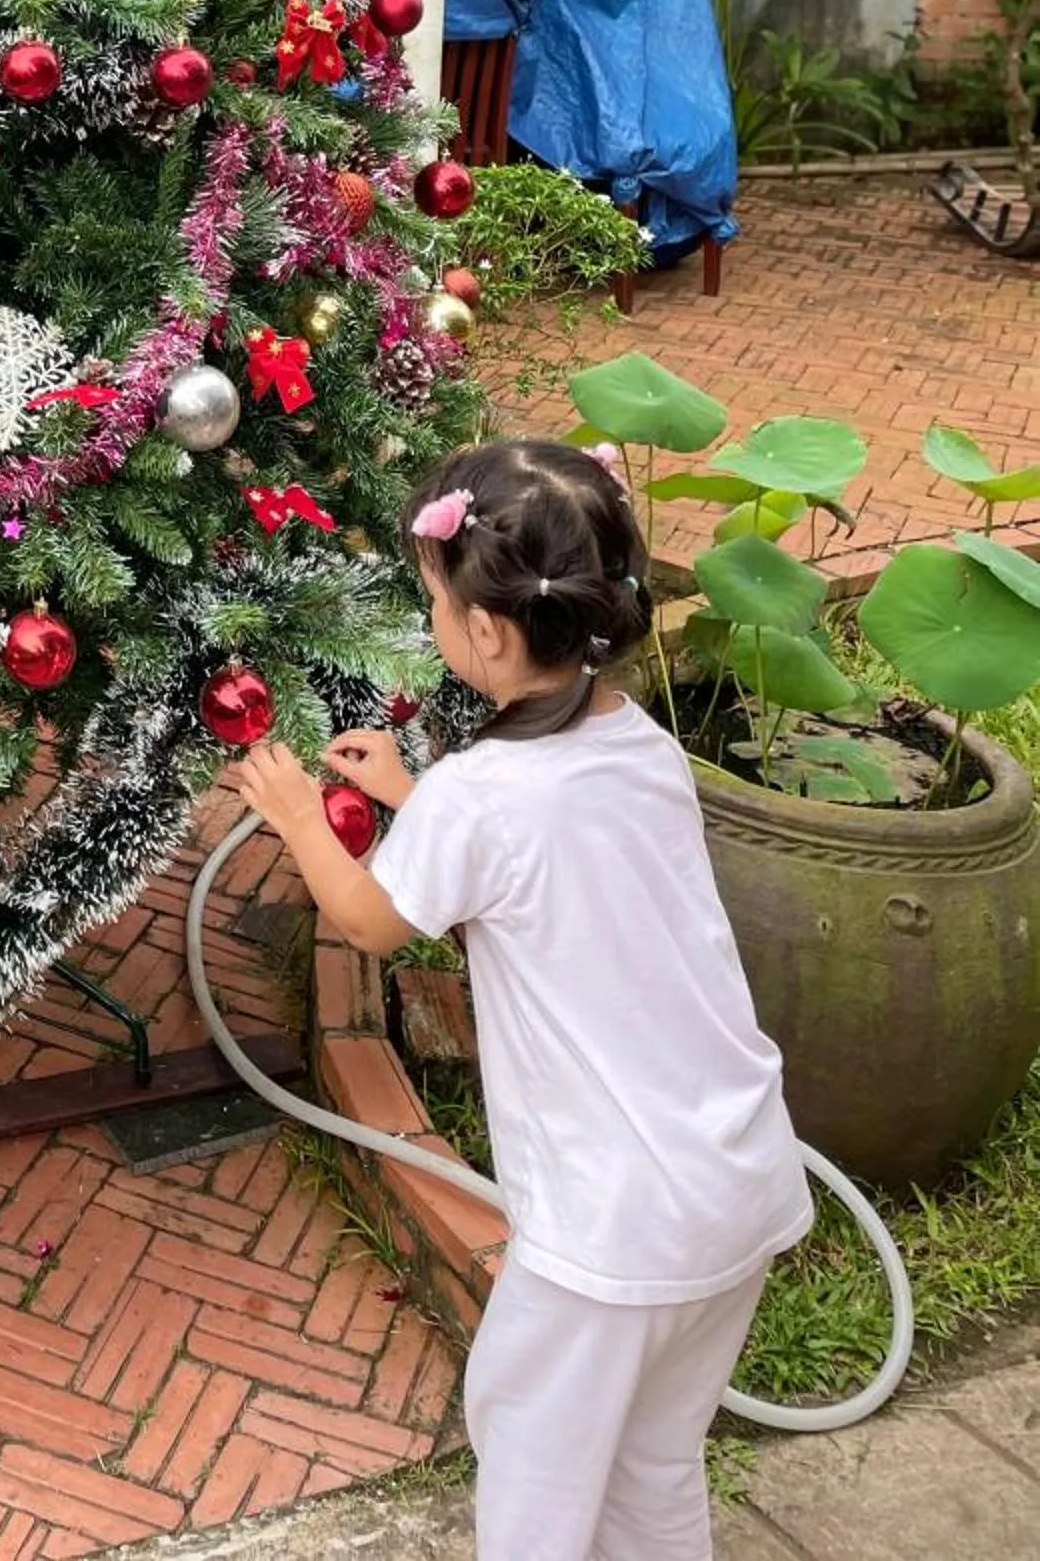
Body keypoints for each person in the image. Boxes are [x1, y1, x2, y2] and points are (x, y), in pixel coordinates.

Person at [239, 437, 812, 1561]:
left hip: (611, 1227)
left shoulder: (485, 796)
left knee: (534, 1472)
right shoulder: (635, 742)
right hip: (735, 1177)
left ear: (488, 633)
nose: (436, 627)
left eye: (435, 607)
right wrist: (415, 798)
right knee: (655, 1460)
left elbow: (369, 923)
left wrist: (301, 816)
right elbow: (540, 880)